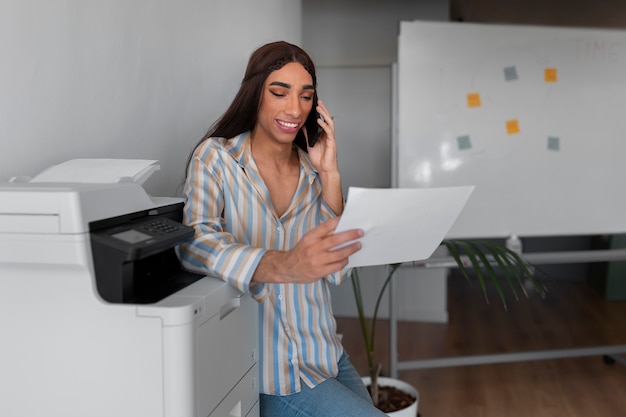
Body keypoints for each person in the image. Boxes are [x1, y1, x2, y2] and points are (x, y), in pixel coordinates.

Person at [178, 41, 387, 417]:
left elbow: (340, 272)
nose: (295, 108)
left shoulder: (313, 173)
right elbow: (195, 243)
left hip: (327, 354)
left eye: (306, 96)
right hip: (272, 373)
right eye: (280, 92)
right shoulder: (218, 158)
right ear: (255, 93)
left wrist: (331, 173)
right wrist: (283, 264)